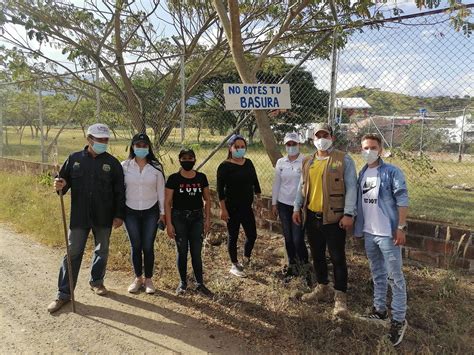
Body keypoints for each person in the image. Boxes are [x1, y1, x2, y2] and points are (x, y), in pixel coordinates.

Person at [48, 123, 126, 313]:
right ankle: (63, 294)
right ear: (89, 139)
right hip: (79, 216)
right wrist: (59, 185)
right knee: (73, 252)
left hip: (104, 216)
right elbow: (63, 184)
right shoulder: (74, 159)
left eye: (106, 140)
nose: (103, 143)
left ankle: (97, 281)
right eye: (99, 140)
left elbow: (120, 192)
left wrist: (119, 215)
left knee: (102, 250)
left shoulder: (113, 163)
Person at [292, 122, 357, 317]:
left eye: (325, 135)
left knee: (337, 257)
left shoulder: (343, 160)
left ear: (332, 138)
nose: (322, 139)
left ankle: (340, 297)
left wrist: (348, 213)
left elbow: (352, 187)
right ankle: (322, 287)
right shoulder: (308, 161)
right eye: (318, 136)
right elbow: (302, 186)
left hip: (334, 218)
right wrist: (297, 207)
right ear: (313, 140)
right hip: (312, 216)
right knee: (317, 254)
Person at [354, 133, 409, 346]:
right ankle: (379, 310)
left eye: (373, 147)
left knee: (395, 277)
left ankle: (398, 319)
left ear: (381, 150)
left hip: (388, 234)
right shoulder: (363, 172)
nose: (369, 151)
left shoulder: (391, 172)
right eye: (365, 147)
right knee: (377, 273)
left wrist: (400, 227)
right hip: (369, 232)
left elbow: (402, 199)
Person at [165, 148, 212, 296]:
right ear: (179, 160)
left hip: (197, 218)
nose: (187, 161)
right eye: (184, 158)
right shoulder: (173, 179)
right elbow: (167, 202)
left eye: (190, 158)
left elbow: (207, 200)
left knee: (196, 252)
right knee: (182, 250)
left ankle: (199, 284)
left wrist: (207, 219)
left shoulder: (201, 178)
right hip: (179, 218)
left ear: (195, 160)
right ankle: (183, 283)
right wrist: (169, 223)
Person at [122, 133, 165, 294]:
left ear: (149, 147)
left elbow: (161, 191)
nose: (141, 148)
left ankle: (148, 280)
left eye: (144, 145)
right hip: (130, 211)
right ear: (132, 147)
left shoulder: (156, 167)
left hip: (151, 212)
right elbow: (119, 190)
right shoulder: (124, 166)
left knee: (148, 246)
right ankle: (138, 278)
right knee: (136, 245)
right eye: (138, 145)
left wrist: (162, 213)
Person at [217, 134, 262, 278]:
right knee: (233, 236)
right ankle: (234, 264)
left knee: (252, 235)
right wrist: (223, 209)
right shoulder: (224, 166)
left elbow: (255, 180)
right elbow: (220, 191)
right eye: (237, 147)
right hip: (231, 208)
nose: (240, 149)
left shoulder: (248, 163)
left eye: (243, 147)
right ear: (230, 148)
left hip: (246, 208)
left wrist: (258, 197)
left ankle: (246, 258)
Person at [271, 132, 309, 278]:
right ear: (285, 145)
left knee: (298, 239)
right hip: (283, 204)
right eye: (289, 144)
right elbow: (277, 184)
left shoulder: (305, 161)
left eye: (294, 144)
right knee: (288, 238)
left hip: (298, 206)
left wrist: (299, 206)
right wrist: (274, 203)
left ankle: (305, 267)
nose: (291, 147)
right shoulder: (281, 162)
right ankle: (292, 268)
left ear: (299, 144)